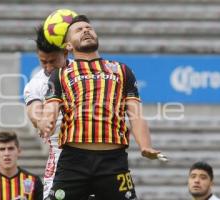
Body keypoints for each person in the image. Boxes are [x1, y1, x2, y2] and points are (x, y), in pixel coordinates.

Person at [38, 15, 162, 200]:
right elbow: (51, 108)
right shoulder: (60, 74)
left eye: (89, 28)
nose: (86, 30)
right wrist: (45, 122)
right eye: (78, 30)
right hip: (73, 160)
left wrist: (146, 146)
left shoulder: (122, 70)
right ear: (68, 46)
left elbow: (135, 114)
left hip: (113, 161)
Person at [24, 25, 68, 199]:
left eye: (53, 61)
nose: (48, 67)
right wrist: (40, 121)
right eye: (43, 62)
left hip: (91, 154)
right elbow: (33, 108)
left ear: (65, 53)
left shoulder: (81, 73)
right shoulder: (37, 83)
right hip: (60, 158)